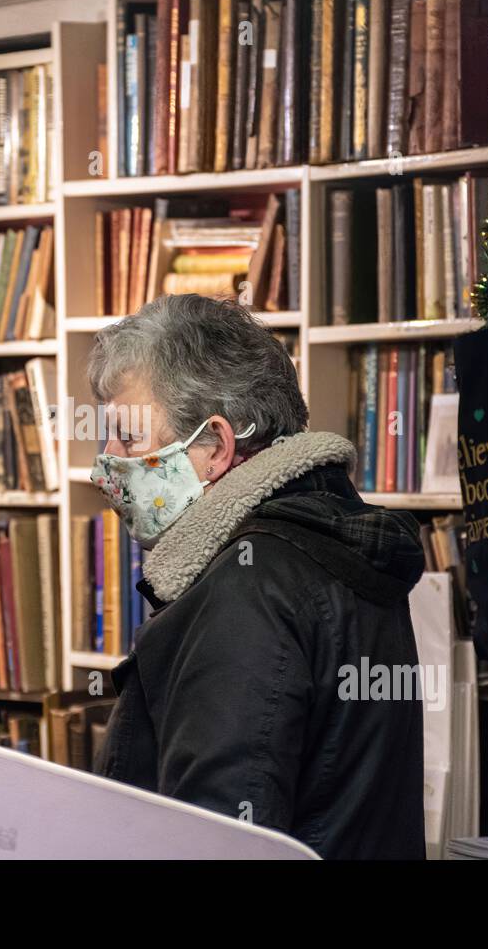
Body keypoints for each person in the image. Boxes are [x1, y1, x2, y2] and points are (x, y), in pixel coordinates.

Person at [88, 294, 426, 859]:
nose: (105, 464)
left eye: (127, 437)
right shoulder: (328, 544)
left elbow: (216, 839)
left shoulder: (245, 590)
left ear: (216, 446)